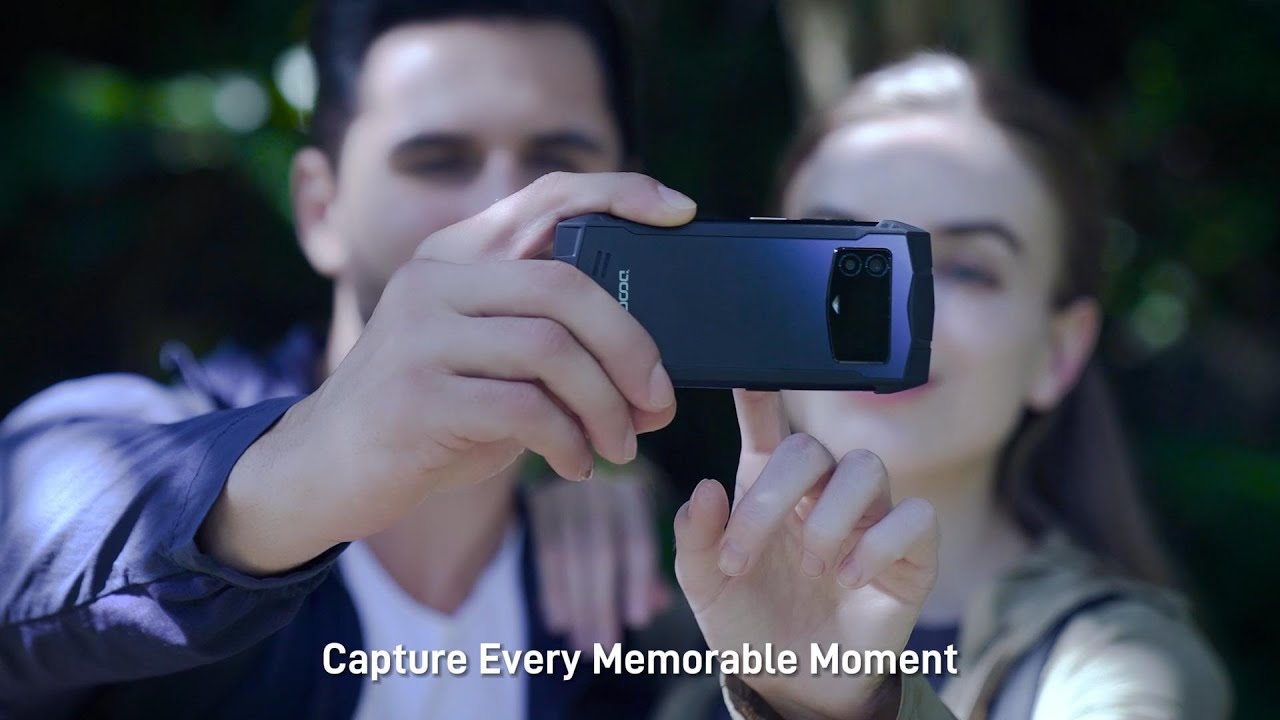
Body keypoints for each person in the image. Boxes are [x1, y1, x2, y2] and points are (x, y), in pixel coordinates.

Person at [0, 1, 681, 717]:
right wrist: (310, 463)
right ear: (321, 209)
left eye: (558, 162)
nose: (507, 206)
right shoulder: (151, 426)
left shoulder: (639, 592)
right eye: (438, 160)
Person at [661, 52, 1232, 719]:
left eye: (967, 270)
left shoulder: (1126, 665)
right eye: (848, 256)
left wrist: (844, 705)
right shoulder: (637, 613)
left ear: (1059, 352)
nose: (890, 312)